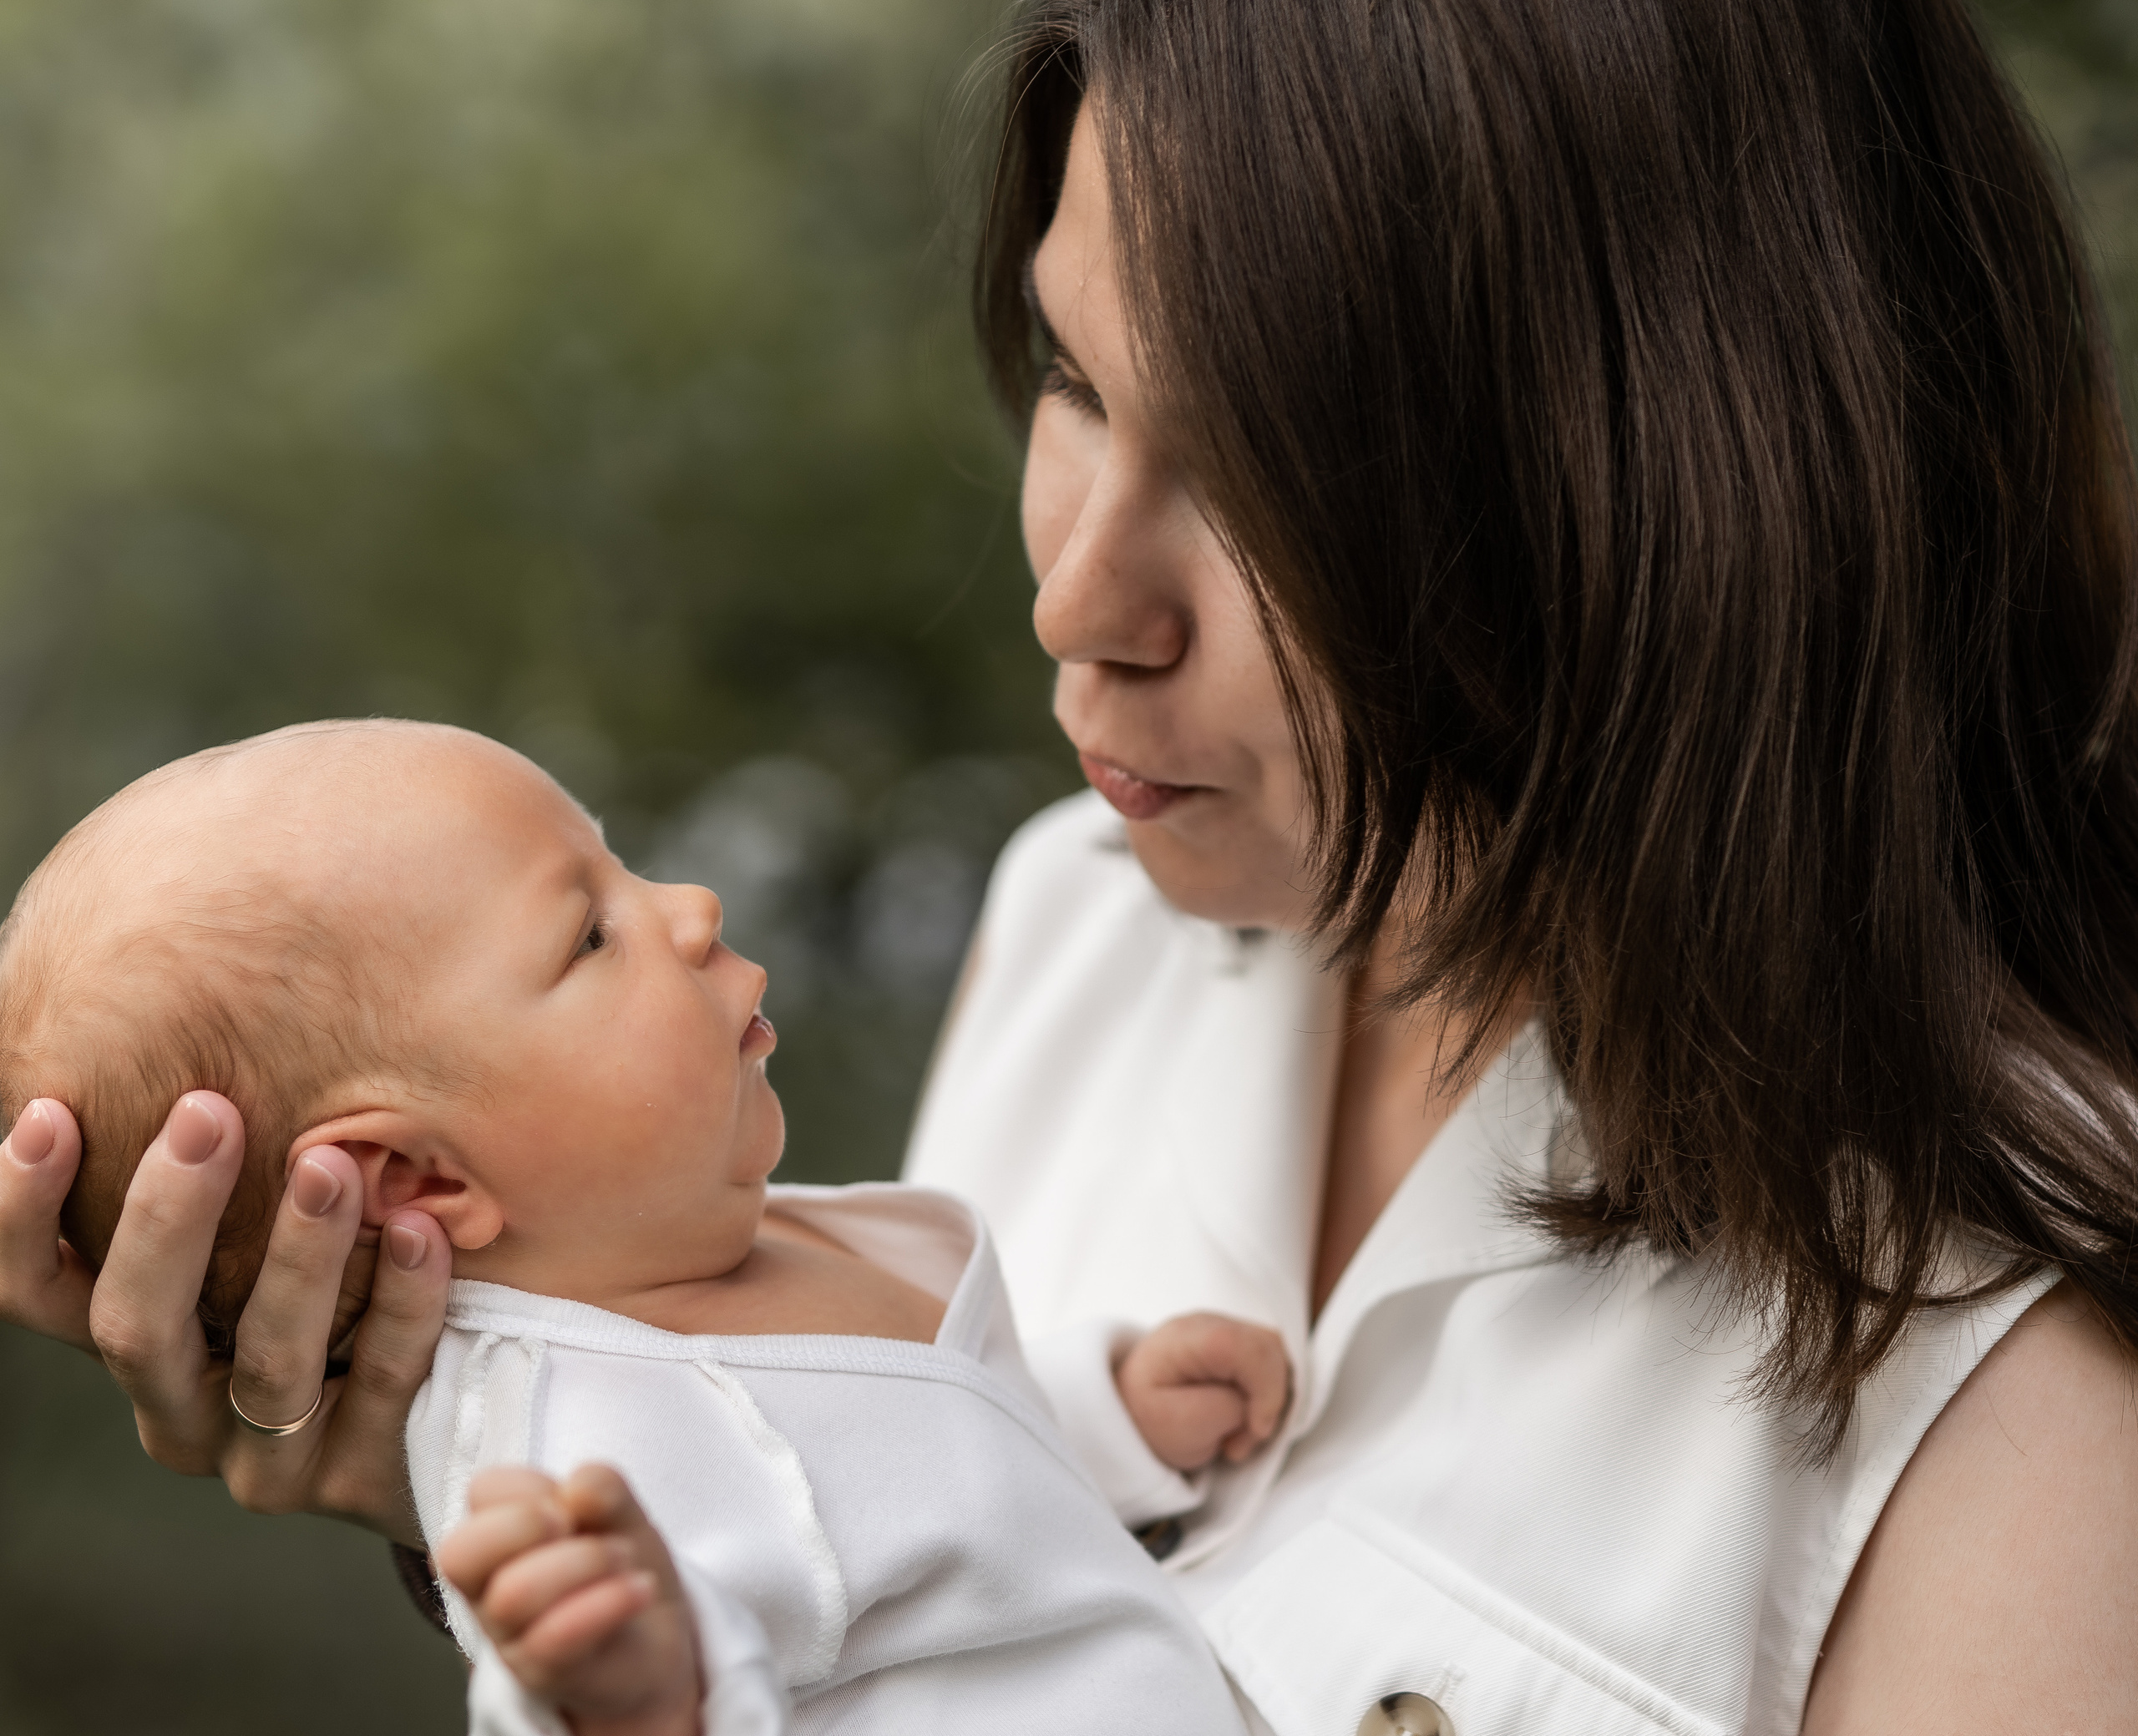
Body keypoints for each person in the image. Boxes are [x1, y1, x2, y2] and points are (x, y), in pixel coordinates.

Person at [1, 0, 2135, 1730]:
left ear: (1682, 497)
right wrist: (488, 1441)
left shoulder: (2014, 1380)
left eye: (1272, 483)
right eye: (1073, 380)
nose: (1078, 599)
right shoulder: (1079, 918)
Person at [0, 717, 1274, 1736]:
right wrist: (625, 1691)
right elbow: (584, 1629)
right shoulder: (567, 1427)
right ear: (419, 1181)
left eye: (619, 861)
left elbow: (934, 1488)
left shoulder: (706, 1250)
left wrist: (1099, 1413)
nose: (692, 906)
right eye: (590, 935)